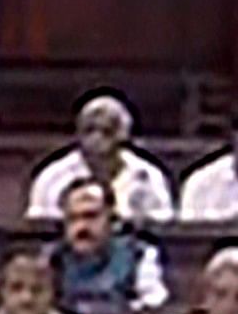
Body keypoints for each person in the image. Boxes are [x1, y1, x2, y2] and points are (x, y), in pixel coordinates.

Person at [28, 92, 175, 224]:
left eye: (106, 131)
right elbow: (37, 229)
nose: (97, 139)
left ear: (124, 136)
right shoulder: (52, 178)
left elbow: (164, 225)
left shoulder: (148, 177)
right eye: (89, 130)